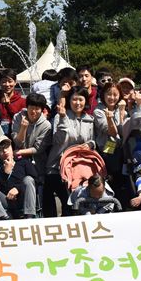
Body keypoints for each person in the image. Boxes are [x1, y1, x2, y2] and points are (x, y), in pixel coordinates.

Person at [44, 87, 96, 217]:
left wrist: (89, 145)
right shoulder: (60, 116)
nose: (77, 103)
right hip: (58, 166)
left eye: (81, 99)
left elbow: (93, 140)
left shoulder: (89, 119)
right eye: (74, 99)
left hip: (80, 165)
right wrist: (62, 118)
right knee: (66, 202)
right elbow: (58, 140)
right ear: (69, 100)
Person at [0, 135, 37, 220]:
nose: (5, 151)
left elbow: (37, 181)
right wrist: (6, 173)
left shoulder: (24, 162)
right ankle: (3, 217)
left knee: (29, 179)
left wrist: (18, 188)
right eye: (0, 149)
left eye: (7, 147)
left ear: (11, 147)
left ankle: (29, 217)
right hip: (5, 200)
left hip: (23, 199)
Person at [11, 93, 52, 180]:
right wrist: (23, 128)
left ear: (42, 110)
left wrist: (20, 152)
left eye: (37, 109)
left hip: (36, 162)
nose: (33, 111)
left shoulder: (46, 125)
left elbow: (38, 149)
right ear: (27, 107)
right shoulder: (18, 117)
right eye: (31, 108)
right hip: (18, 160)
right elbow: (18, 143)